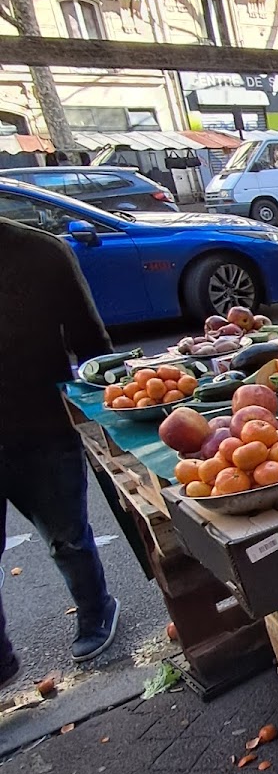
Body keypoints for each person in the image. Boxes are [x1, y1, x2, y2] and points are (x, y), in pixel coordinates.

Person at [0, 214, 120, 689]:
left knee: (66, 537)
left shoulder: (40, 252)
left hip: (42, 423)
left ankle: (96, 610)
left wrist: (106, 412)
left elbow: (93, 345)